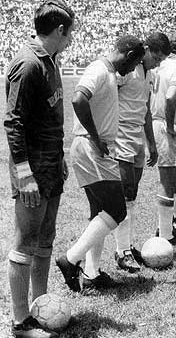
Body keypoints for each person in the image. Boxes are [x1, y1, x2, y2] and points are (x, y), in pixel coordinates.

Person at [4, 1, 74, 337]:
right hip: (31, 170)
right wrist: (25, 174)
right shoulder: (28, 63)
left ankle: (40, 307)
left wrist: (59, 157)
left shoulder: (50, 61)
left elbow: (49, 119)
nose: (71, 39)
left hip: (50, 166)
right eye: (69, 32)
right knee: (26, 241)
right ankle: (20, 322)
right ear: (60, 31)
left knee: (45, 239)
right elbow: (13, 123)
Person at [55, 36, 145, 292]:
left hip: (95, 147)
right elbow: (78, 99)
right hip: (92, 147)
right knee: (117, 211)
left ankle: (92, 274)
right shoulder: (98, 69)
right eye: (134, 63)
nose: (132, 70)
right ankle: (70, 259)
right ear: (127, 55)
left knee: (100, 213)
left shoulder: (109, 72)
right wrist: (95, 137)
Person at [112, 32, 171, 273]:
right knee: (124, 192)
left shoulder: (149, 74)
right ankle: (121, 251)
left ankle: (127, 245)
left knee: (132, 194)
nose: (157, 63)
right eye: (155, 57)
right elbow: (107, 99)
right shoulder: (126, 71)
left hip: (136, 136)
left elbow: (145, 109)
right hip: (120, 134)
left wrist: (152, 143)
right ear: (146, 49)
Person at [150, 32, 176, 244]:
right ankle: (165, 234)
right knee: (168, 181)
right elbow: (171, 96)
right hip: (167, 126)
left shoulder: (160, 66)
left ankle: (166, 227)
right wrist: (169, 125)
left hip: (153, 122)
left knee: (173, 179)